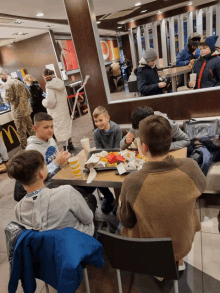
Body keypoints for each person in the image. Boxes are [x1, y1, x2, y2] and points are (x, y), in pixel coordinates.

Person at [117, 115, 206, 274]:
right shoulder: (190, 166)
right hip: (184, 240)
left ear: (144, 147)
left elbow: (126, 220)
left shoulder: (132, 182)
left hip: (152, 248)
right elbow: (202, 187)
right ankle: (177, 259)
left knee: (127, 216)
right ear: (170, 141)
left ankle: (156, 265)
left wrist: (120, 205)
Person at [7, 150, 95, 236]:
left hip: (49, 248)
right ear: (41, 174)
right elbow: (88, 219)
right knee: (91, 198)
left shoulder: (18, 210)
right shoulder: (66, 192)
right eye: (44, 164)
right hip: (80, 242)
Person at [14, 112, 71, 202]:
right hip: (47, 187)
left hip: (58, 176)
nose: (50, 130)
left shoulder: (51, 139)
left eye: (52, 126)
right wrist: (56, 163)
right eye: (46, 127)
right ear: (35, 128)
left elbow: (56, 160)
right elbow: (38, 176)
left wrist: (64, 159)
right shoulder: (31, 150)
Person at [120, 106, 190, 151]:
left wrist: (165, 148)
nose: (139, 130)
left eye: (141, 128)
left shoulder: (168, 125)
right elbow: (122, 146)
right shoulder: (136, 125)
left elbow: (186, 140)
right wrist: (126, 142)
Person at [1, 72, 35, 149]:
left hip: (18, 113)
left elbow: (7, 99)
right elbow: (28, 94)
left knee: (22, 133)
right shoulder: (19, 82)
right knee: (31, 130)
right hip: (26, 110)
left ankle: (26, 150)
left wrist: (3, 96)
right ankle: (37, 145)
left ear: (4, 75)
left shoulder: (8, 84)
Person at [42, 69, 74, 152]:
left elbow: (51, 102)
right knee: (66, 127)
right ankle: (70, 144)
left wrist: (43, 102)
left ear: (45, 77)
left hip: (56, 112)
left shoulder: (49, 86)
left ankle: (66, 148)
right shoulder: (60, 82)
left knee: (59, 129)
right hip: (64, 109)